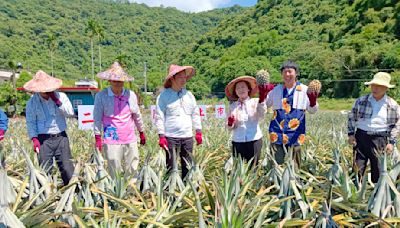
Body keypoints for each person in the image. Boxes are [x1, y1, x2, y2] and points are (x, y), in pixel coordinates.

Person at [93, 62, 146, 178]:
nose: (118, 83)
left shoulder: (130, 95)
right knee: (114, 167)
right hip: (112, 137)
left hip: (129, 137)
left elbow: (136, 114)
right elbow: (97, 117)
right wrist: (97, 136)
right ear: (110, 81)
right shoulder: (101, 96)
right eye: (115, 80)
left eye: (120, 81)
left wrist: (141, 131)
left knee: (132, 168)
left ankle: (132, 192)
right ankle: (115, 190)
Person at [348, 72, 400, 183]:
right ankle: (357, 192)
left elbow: (397, 124)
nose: (375, 88)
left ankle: (376, 196)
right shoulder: (361, 100)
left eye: (379, 86)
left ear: (386, 88)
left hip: (380, 139)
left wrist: (392, 142)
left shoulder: (392, 104)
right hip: (361, 137)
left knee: (378, 170)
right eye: (373, 85)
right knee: (357, 168)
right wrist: (351, 134)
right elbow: (352, 116)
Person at [24, 70, 75, 185]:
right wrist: (34, 139)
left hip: (61, 137)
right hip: (43, 140)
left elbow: (70, 112)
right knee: (45, 170)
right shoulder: (32, 103)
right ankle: (47, 196)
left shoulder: (61, 96)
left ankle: (72, 192)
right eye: (43, 90)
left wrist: (57, 101)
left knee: (67, 169)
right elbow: (30, 122)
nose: (46, 92)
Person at [266, 60, 319, 167]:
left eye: (290, 71)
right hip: (277, 132)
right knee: (276, 165)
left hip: (296, 134)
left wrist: (312, 100)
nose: (287, 74)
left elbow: (312, 110)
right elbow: (265, 104)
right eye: (284, 72)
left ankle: (295, 182)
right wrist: (263, 92)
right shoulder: (276, 90)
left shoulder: (305, 90)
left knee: (295, 166)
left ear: (296, 73)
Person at [155, 64, 202, 179]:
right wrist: (161, 135)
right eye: (180, 77)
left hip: (187, 136)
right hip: (171, 136)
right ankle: (169, 192)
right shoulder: (163, 96)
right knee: (171, 166)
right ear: (172, 78)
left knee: (188, 165)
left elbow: (195, 113)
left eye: (184, 77)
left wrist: (198, 131)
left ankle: (186, 188)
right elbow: (159, 116)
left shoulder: (189, 95)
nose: (183, 79)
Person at [225, 76, 269, 167]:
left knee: (253, 167)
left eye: (243, 87)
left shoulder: (256, 102)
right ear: (235, 92)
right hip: (237, 140)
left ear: (248, 89)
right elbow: (229, 128)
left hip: (254, 139)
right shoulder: (232, 106)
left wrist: (262, 100)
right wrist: (230, 123)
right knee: (238, 168)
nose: (241, 89)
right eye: (238, 88)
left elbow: (262, 114)